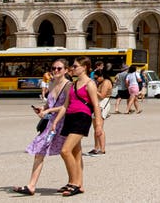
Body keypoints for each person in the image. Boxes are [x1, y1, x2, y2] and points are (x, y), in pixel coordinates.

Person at [12, 59, 68, 196]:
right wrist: (42, 109)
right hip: (50, 124)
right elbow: (49, 105)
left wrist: (49, 111)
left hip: (61, 123)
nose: (55, 70)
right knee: (40, 151)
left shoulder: (68, 86)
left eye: (59, 68)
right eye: (53, 68)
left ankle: (76, 182)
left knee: (69, 154)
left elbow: (66, 107)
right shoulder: (51, 83)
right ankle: (31, 185)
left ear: (66, 70)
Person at [58, 57, 102, 197]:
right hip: (69, 117)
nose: (73, 68)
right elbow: (65, 105)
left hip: (82, 117)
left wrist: (99, 125)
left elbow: (96, 105)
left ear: (84, 67)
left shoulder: (90, 84)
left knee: (65, 151)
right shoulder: (72, 84)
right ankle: (77, 183)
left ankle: (75, 183)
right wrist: (55, 121)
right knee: (76, 153)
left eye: (75, 66)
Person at [86, 69, 113, 156]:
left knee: (99, 127)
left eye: (97, 78)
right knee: (95, 128)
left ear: (102, 76)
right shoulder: (100, 82)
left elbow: (102, 95)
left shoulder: (106, 82)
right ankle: (96, 148)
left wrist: (93, 89)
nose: (96, 79)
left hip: (103, 103)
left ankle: (102, 149)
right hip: (98, 104)